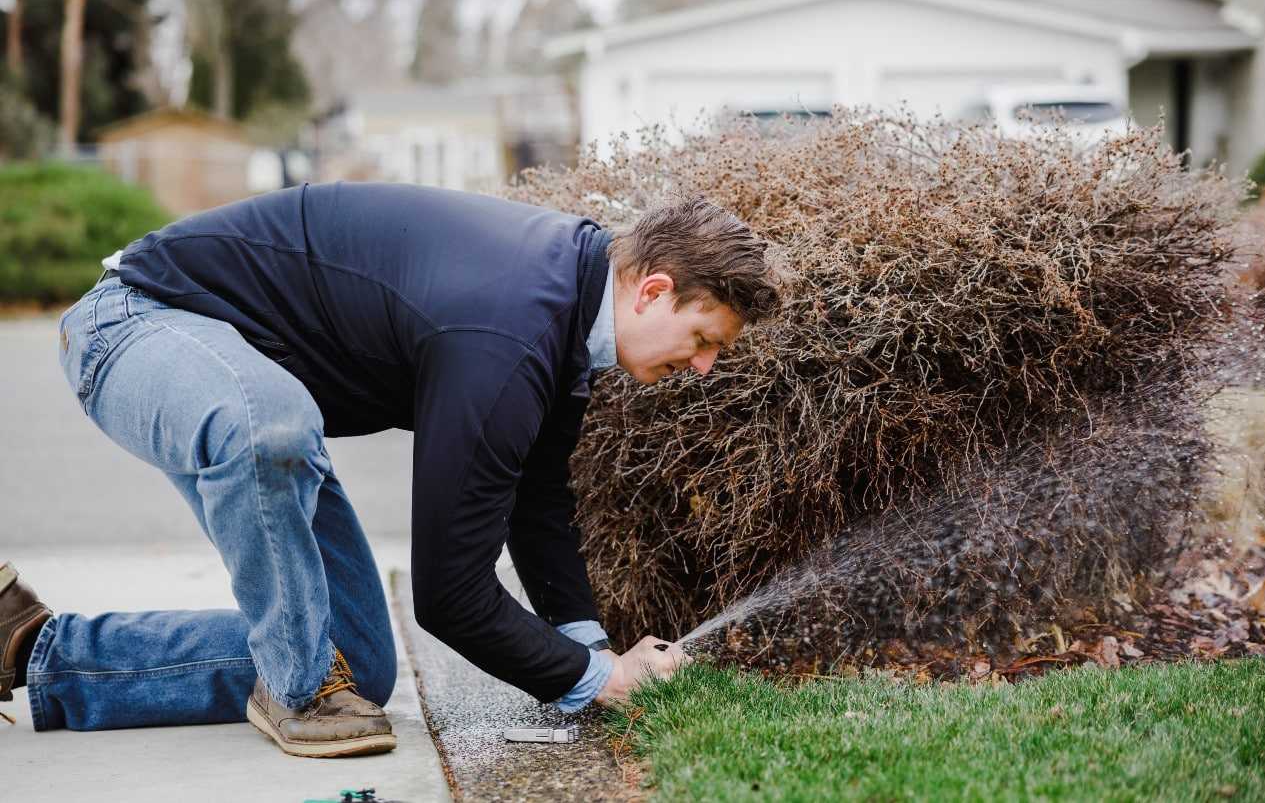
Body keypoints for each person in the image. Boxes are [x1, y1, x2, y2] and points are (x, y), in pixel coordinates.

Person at [0, 183, 781, 757]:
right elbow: (450, 595)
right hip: (136, 324)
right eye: (706, 338)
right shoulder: (509, 332)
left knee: (356, 660)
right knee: (269, 427)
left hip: (242, 377)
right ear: (654, 290)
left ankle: (30, 646)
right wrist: (592, 680)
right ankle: (298, 693)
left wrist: (591, 650)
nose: (706, 366)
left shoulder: (568, 305)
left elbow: (537, 503)